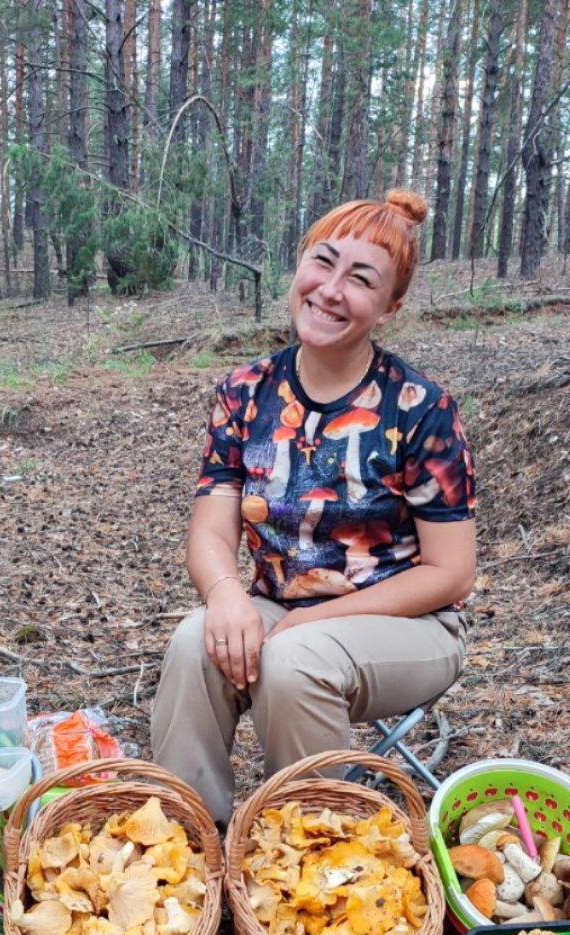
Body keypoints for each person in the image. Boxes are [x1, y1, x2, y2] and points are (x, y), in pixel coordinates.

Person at [151, 190, 477, 828]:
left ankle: (312, 860)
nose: (331, 290)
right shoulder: (246, 393)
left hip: (410, 623)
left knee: (295, 661)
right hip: (281, 607)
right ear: (299, 266)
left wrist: (314, 622)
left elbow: (450, 573)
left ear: (390, 308)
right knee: (195, 641)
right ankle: (187, 852)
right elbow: (210, 534)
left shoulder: (420, 409)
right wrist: (224, 594)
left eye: (361, 279)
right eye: (322, 263)